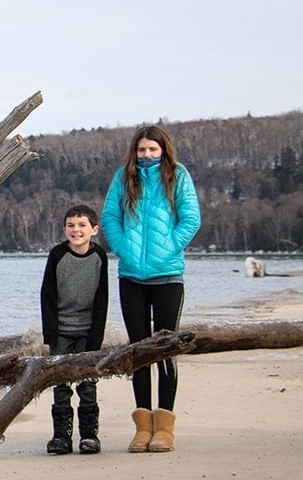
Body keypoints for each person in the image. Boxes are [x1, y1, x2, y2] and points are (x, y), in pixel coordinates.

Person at [101, 125, 201, 454]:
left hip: (168, 276)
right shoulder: (123, 176)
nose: (146, 155)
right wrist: (125, 250)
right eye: (142, 150)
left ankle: (165, 428)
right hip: (131, 277)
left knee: (165, 350)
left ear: (163, 151)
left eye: (152, 150)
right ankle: (143, 428)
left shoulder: (178, 176)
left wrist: (168, 247)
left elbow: (191, 219)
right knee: (139, 351)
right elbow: (109, 217)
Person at [40, 204, 109, 455]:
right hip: (61, 331)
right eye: (71, 225)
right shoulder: (57, 255)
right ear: (64, 229)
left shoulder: (99, 257)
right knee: (60, 385)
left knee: (88, 385)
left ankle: (89, 436)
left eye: (81, 225)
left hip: (87, 331)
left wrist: (96, 337)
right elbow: (47, 295)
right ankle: (61, 437)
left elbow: (102, 298)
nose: (76, 230)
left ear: (94, 230)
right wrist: (51, 334)